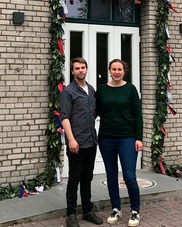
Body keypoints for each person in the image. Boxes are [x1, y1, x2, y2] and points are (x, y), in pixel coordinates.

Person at [96, 59, 143, 227]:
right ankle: (116, 209)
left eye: (119, 69)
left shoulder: (130, 89)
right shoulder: (101, 90)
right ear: (109, 70)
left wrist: (139, 138)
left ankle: (135, 211)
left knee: (129, 176)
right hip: (106, 138)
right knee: (111, 175)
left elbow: (138, 115)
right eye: (114, 69)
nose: (116, 72)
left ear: (124, 71)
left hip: (127, 138)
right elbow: (94, 112)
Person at [59, 57, 104, 227]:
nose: (80, 70)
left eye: (83, 67)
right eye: (77, 68)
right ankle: (71, 214)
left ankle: (87, 211)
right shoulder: (68, 92)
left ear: (86, 69)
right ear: (72, 71)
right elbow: (64, 117)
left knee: (87, 177)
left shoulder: (91, 90)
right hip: (76, 143)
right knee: (74, 179)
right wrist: (71, 139)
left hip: (91, 142)